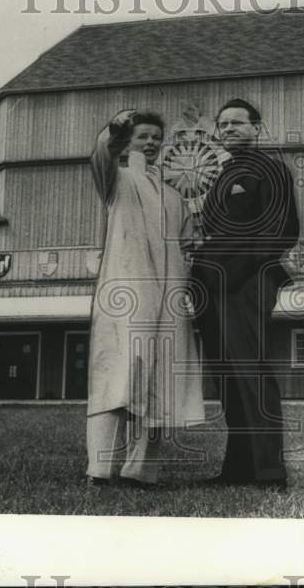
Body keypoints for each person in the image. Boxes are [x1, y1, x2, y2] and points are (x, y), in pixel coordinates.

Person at [85, 109, 205, 488]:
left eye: (156, 137)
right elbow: (103, 154)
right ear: (129, 141)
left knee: (161, 377)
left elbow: (190, 246)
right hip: (128, 291)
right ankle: (99, 468)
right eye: (143, 137)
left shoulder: (173, 196)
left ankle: (141, 469)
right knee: (118, 373)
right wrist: (117, 129)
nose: (151, 143)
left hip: (168, 296)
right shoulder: (117, 182)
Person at [190, 98, 300, 490]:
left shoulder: (270, 168)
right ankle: (237, 469)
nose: (229, 129)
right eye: (223, 125)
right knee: (228, 379)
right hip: (211, 285)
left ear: (257, 128)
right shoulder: (224, 174)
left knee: (251, 373)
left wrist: (235, 274)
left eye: (238, 123)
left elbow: (283, 229)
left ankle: (270, 472)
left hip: (247, 283)